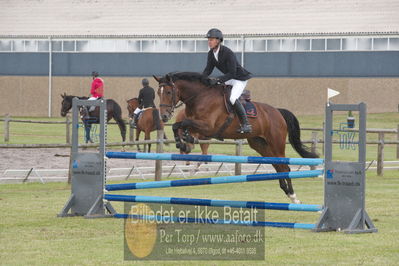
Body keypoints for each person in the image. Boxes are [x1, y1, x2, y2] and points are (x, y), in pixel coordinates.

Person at [202, 28, 252, 133]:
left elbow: (232, 73)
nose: (209, 42)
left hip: (239, 79)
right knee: (214, 90)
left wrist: (218, 79)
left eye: (211, 39)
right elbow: (208, 70)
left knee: (232, 99)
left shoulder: (227, 52)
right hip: (229, 78)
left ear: (218, 41)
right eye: (208, 39)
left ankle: (246, 124)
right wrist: (199, 79)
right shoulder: (211, 54)